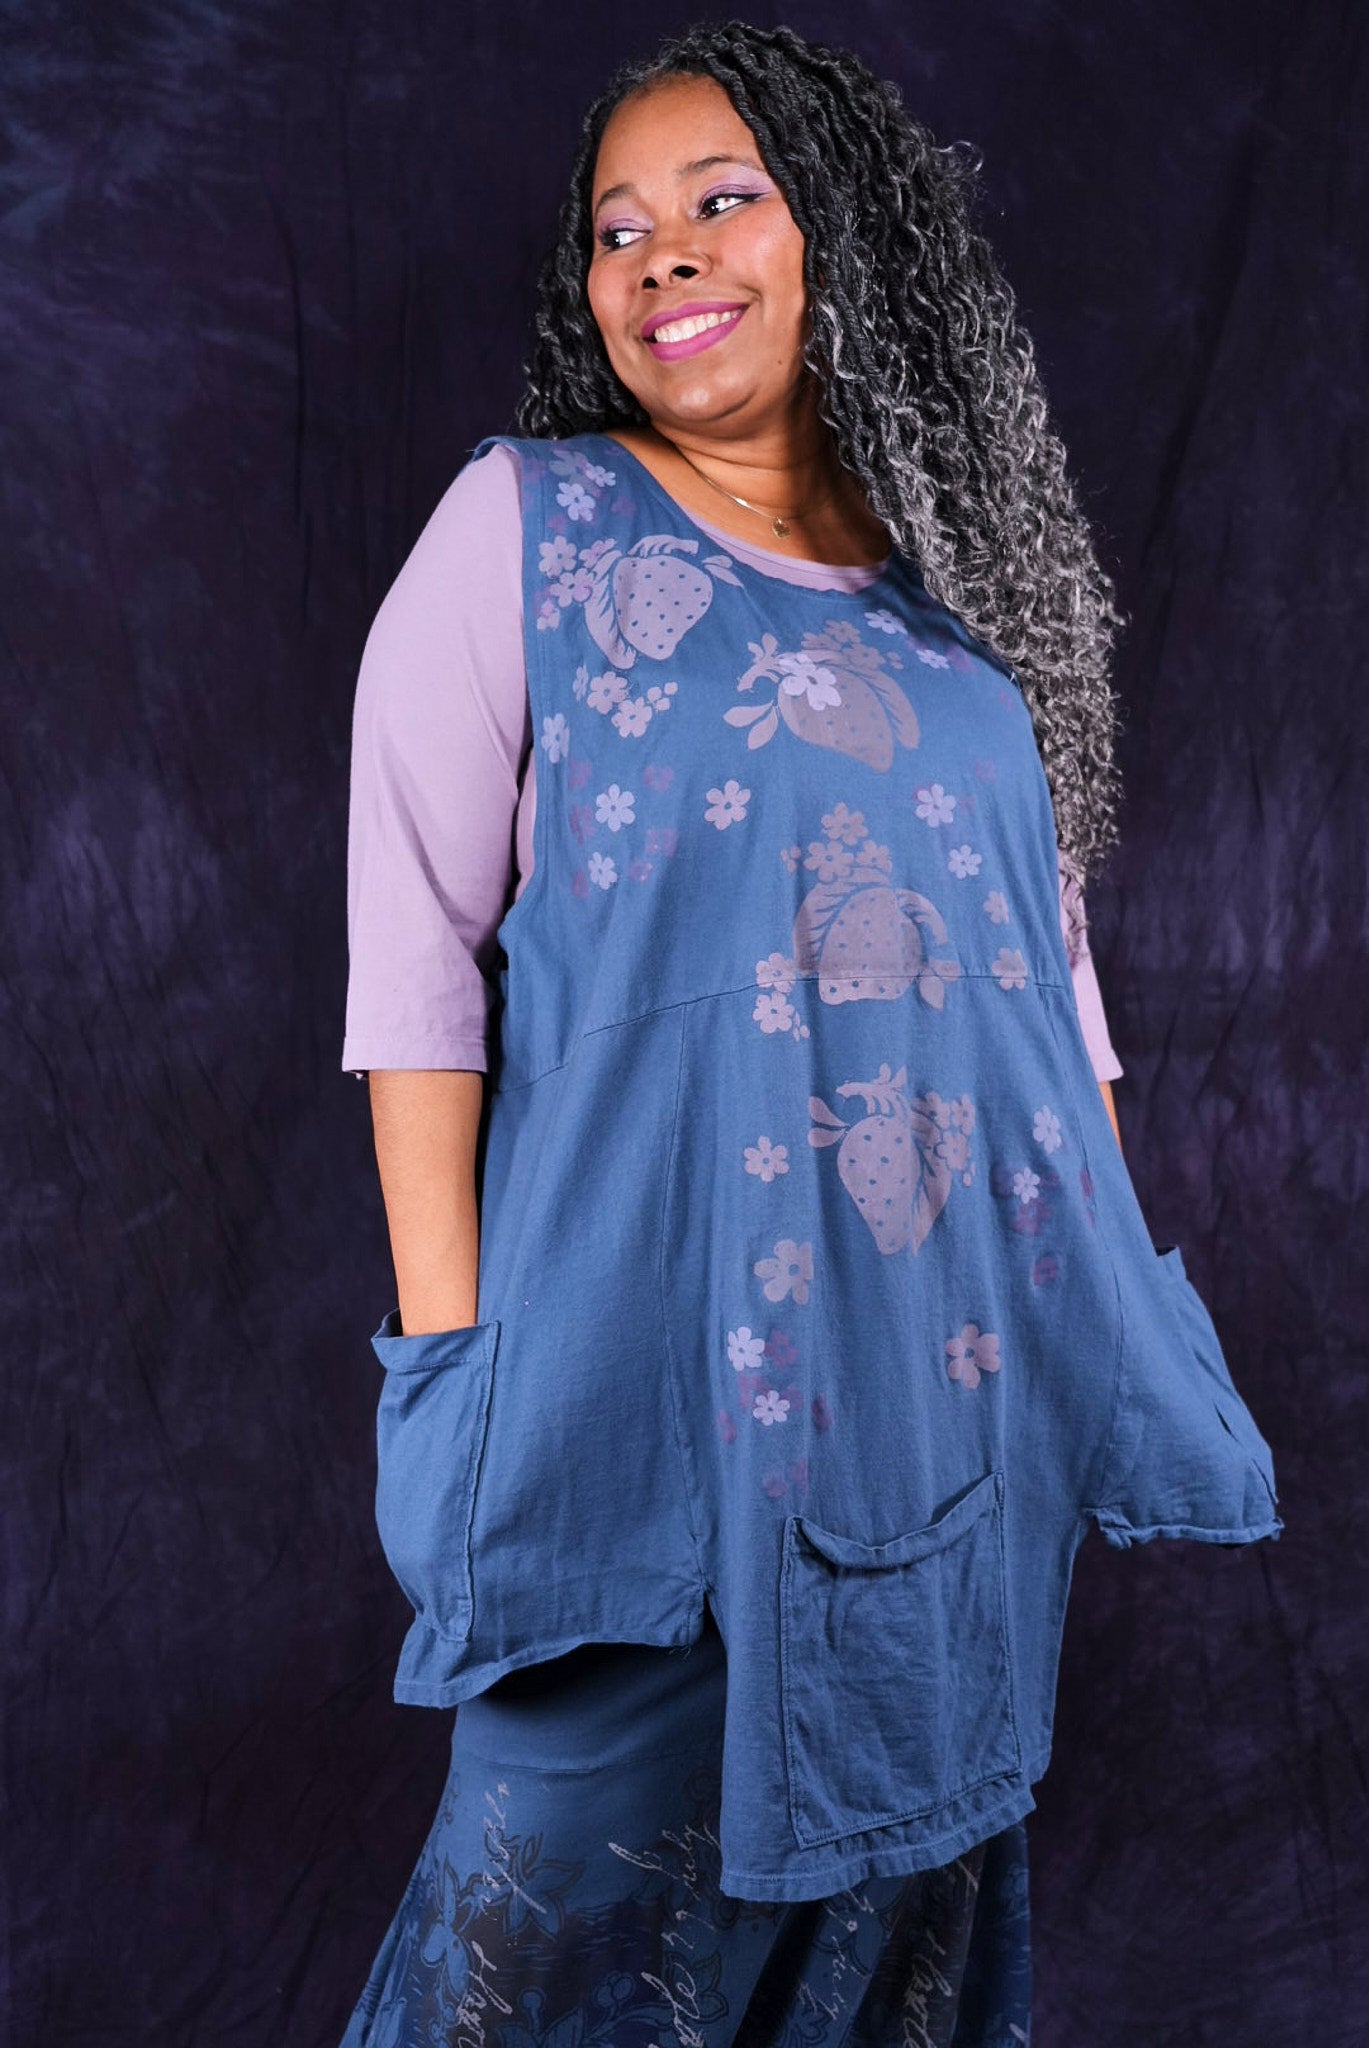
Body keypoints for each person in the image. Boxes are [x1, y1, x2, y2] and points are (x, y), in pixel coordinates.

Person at [337, 23, 1282, 2044]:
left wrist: (1100, 1335)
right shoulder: (523, 532)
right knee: (532, 1968)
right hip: (627, 1414)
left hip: (935, 1421)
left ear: (839, 236)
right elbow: (411, 986)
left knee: (885, 1964)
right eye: (618, 229)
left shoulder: (967, 615)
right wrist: (457, 1368)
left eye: (721, 199)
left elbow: (1051, 1008)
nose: (663, 254)